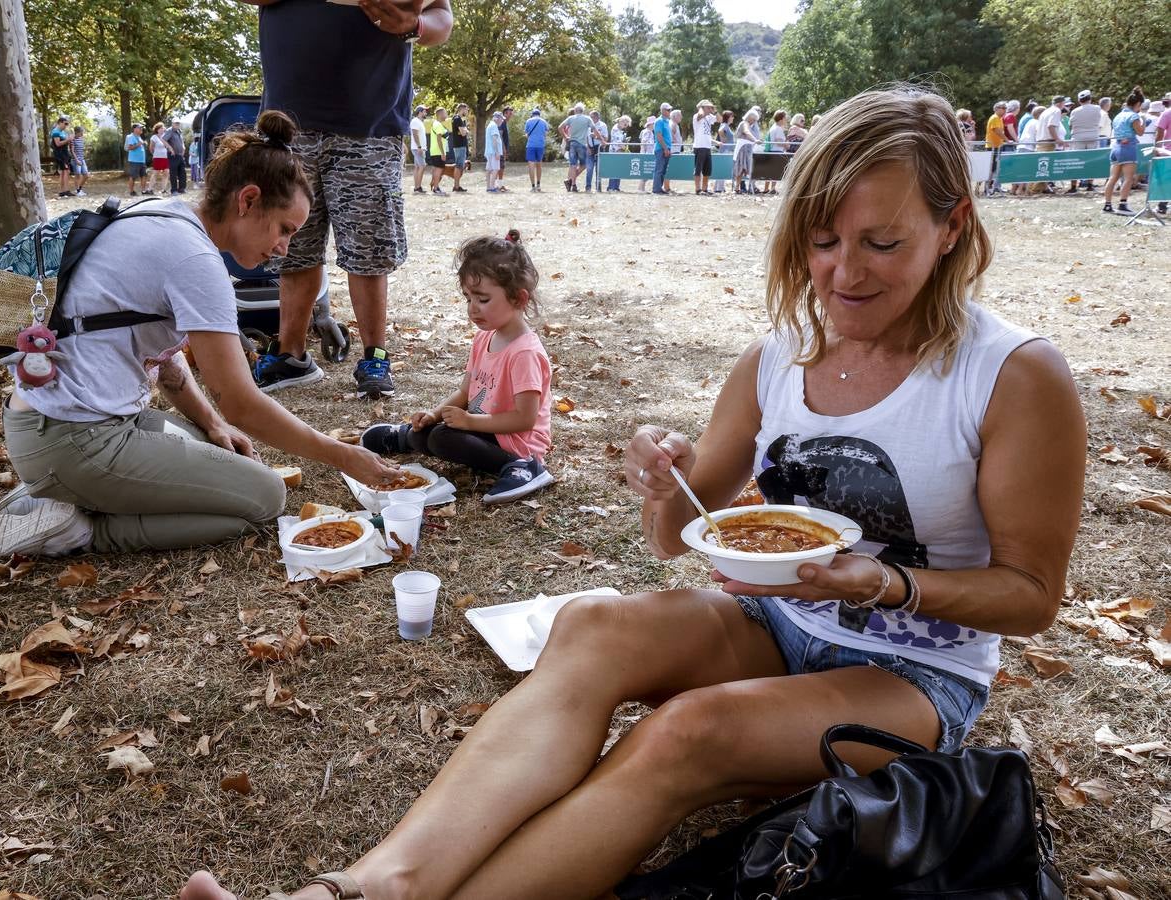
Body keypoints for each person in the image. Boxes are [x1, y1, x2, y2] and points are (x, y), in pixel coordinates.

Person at [181, 86, 1085, 900]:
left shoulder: (1013, 375)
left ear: (954, 225)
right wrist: (659, 475)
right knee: (593, 625)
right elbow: (673, 537)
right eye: (821, 241)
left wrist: (885, 584)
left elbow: (1033, 598)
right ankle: (364, 891)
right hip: (776, 628)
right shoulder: (780, 358)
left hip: (914, 677)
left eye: (882, 243)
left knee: (684, 735)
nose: (844, 273)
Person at [0, 110, 402, 562]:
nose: (284, 248)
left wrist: (214, 423)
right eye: (284, 229)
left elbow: (164, 358)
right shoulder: (195, 260)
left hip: (49, 425)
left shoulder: (163, 214)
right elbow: (241, 402)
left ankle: (58, 487)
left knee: (213, 446)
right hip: (73, 439)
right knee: (263, 497)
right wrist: (341, 455)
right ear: (248, 199)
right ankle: (78, 527)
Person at [239, 0, 454, 399]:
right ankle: (291, 355)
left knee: (368, 249)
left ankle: (375, 357)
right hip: (289, 124)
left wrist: (416, 25)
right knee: (292, 245)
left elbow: (441, 17)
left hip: (370, 123)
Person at [360, 228, 554, 508]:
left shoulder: (524, 352)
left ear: (519, 299)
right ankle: (406, 437)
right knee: (429, 431)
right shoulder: (484, 337)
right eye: (468, 298)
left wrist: (470, 422)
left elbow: (524, 420)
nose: (472, 309)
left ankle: (522, 468)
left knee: (442, 438)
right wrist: (433, 414)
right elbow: (466, 392)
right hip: (483, 428)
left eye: (483, 299)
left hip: (518, 441)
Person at [1103, 87, 1146, 215]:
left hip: (1116, 147)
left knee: (1112, 178)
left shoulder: (1118, 115)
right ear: (1138, 104)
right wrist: (1144, 122)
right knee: (1128, 178)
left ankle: (1107, 205)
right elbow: (1141, 132)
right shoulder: (1134, 116)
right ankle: (1123, 204)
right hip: (1128, 149)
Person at [1067, 91, 1102, 192]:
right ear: (1090, 98)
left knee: (1075, 161)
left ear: (1079, 100)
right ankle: (1090, 185)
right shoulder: (1097, 108)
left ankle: (1074, 186)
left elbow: (1071, 125)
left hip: (1078, 137)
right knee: (1093, 160)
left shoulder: (1075, 111)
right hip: (1093, 136)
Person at [559, 103, 592, 192]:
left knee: (572, 165)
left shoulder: (570, 122)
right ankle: (571, 182)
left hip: (569, 146)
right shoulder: (574, 123)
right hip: (572, 145)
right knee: (575, 165)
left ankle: (570, 182)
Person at [692, 100, 717, 195]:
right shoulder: (697, 115)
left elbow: (719, 119)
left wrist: (715, 111)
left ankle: (704, 189)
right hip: (699, 146)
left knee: (707, 170)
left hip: (707, 146)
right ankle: (698, 189)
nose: (710, 108)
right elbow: (700, 115)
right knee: (698, 169)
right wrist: (702, 108)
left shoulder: (710, 117)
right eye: (708, 107)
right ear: (702, 107)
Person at [733, 107, 759, 194]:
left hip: (747, 148)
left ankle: (749, 188)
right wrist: (755, 140)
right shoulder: (744, 123)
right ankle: (737, 188)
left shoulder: (749, 124)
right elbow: (746, 132)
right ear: (750, 118)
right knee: (741, 168)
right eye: (754, 120)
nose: (754, 122)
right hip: (742, 149)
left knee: (748, 169)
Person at [761, 110, 787, 194]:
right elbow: (778, 141)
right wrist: (786, 145)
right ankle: (772, 188)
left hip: (771, 151)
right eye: (785, 118)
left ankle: (766, 188)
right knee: (775, 171)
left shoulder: (773, 127)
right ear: (781, 119)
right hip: (777, 151)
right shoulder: (778, 128)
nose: (786, 120)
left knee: (769, 171)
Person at [425, 106, 450, 196]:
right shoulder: (437, 124)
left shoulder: (437, 124)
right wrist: (443, 153)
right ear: (440, 114)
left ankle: (436, 187)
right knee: (438, 170)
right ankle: (435, 188)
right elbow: (439, 140)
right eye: (445, 113)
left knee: (437, 169)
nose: (446, 115)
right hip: (438, 152)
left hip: (436, 151)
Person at [524, 107, 548, 191]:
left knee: (531, 165)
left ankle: (533, 186)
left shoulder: (528, 121)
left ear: (532, 114)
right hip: (540, 145)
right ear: (539, 114)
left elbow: (526, 134)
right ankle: (538, 185)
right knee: (539, 165)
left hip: (531, 145)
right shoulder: (544, 121)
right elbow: (545, 134)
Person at [584, 110, 609, 192]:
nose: (590, 118)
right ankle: (588, 187)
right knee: (589, 168)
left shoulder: (603, 125)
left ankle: (598, 187)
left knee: (598, 169)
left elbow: (605, 139)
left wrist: (595, 137)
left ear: (597, 117)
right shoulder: (587, 125)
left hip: (599, 148)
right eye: (590, 117)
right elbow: (586, 138)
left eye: (591, 117)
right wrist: (588, 147)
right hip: (590, 148)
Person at [712, 109, 735, 193]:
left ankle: (718, 188)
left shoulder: (726, 125)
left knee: (721, 169)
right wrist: (723, 139)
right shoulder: (724, 125)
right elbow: (720, 130)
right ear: (728, 117)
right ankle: (719, 188)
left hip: (726, 150)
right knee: (723, 169)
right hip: (725, 151)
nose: (733, 118)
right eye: (732, 116)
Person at [651, 104, 673, 194]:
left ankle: (659, 188)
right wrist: (665, 148)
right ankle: (656, 189)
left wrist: (668, 148)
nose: (669, 112)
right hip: (661, 149)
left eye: (670, 110)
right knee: (659, 170)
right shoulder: (659, 121)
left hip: (665, 148)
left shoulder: (667, 122)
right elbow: (659, 136)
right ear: (663, 110)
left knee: (663, 170)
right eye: (668, 110)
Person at [50, 116, 73, 198]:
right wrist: (68, 139)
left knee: (64, 172)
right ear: (60, 123)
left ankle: (62, 191)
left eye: (67, 124)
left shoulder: (63, 132)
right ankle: (65, 191)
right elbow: (58, 144)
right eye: (65, 123)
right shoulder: (56, 131)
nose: (66, 125)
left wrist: (69, 140)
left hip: (65, 154)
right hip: (60, 154)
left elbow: (65, 142)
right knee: (66, 171)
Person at [449, 103, 470, 193]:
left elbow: (464, 131)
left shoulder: (458, 119)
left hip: (460, 145)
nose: (467, 111)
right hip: (460, 145)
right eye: (466, 110)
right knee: (458, 166)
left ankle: (457, 186)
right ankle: (456, 187)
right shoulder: (457, 119)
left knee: (460, 166)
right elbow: (463, 133)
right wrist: (465, 130)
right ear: (462, 109)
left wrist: (465, 130)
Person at [606, 115, 630, 192]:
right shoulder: (616, 129)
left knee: (618, 169)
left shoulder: (620, 130)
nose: (625, 126)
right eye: (625, 124)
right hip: (615, 152)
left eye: (626, 125)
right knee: (614, 170)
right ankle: (611, 187)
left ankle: (616, 187)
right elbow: (618, 143)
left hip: (619, 152)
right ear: (621, 122)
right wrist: (625, 148)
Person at [165, 121, 189, 195]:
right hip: (173, 155)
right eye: (176, 123)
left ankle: (182, 189)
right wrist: (170, 148)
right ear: (172, 124)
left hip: (180, 155)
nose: (177, 125)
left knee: (182, 172)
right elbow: (163, 139)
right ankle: (174, 190)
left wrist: (183, 147)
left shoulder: (179, 131)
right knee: (173, 173)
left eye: (178, 123)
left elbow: (181, 142)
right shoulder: (170, 130)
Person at [409, 105, 428, 194]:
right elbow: (415, 134)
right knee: (422, 166)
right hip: (417, 148)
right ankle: (418, 187)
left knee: (417, 167)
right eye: (424, 111)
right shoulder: (415, 121)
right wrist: (419, 147)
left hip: (418, 148)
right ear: (420, 112)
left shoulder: (419, 122)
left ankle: (417, 187)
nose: (426, 113)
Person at [124, 123, 147, 197]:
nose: (141, 129)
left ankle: (143, 191)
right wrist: (139, 144)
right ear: (134, 129)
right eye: (139, 128)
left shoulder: (139, 137)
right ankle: (131, 191)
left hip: (141, 161)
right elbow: (130, 148)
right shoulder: (131, 137)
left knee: (144, 175)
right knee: (133, 176)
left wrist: (142, 143)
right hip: (134, 160)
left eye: (141, 128)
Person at [147, 123, 170, 195]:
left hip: (165, 158)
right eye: (161, 128)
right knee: (156, 173)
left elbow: (168, 146)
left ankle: (163, 189)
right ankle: (150, 189)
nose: (162, 129)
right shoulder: (154, 137)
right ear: (157, 130)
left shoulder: (166, 137)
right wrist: (155, 154)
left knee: (166, 173)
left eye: (163, 128)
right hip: (157, 158)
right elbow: (151, 148)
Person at [484, 112, 504, 193]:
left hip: (489, 151)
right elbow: (494, 139)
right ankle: (492, 187)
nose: (502, 121)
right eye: (501, 119)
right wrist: (497, 152)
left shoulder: (490, 125)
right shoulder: (494, 126)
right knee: (495, 169)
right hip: (493, 151)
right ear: (497, 118)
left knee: (489, 169)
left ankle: (488, 186)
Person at [70, 125, 90, 196]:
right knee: (77, 175)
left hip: (82, 159)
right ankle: (77, 191)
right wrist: (77, 160)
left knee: (86, 175)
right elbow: (72, 151)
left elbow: (81, 149)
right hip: (75, 160)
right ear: (77, 132)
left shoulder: (81, 139)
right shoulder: (72, 140)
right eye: (81, 132)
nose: (82, 133)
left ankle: (79, 189)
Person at [638, 114, 656, 193]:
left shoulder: (651, 132)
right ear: (650, 124)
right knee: (645, 172)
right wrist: (644, 154)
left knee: (647, 172)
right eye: (654, 123)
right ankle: (640, 189)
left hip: (649, 153)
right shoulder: (647, 132)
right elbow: (643, 143)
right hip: (646, 154)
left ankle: (642, 188)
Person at [497, 105, 513, 192]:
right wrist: (503, 148)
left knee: (501, 166)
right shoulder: (502, 122)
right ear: (505, 113)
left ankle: (499, 184)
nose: (511, 115)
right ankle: (499, 185)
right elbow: (500, 136)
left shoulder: (504, 123)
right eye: (510, 113)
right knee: (500, 167)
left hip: (502, 148)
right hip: (500, 149)